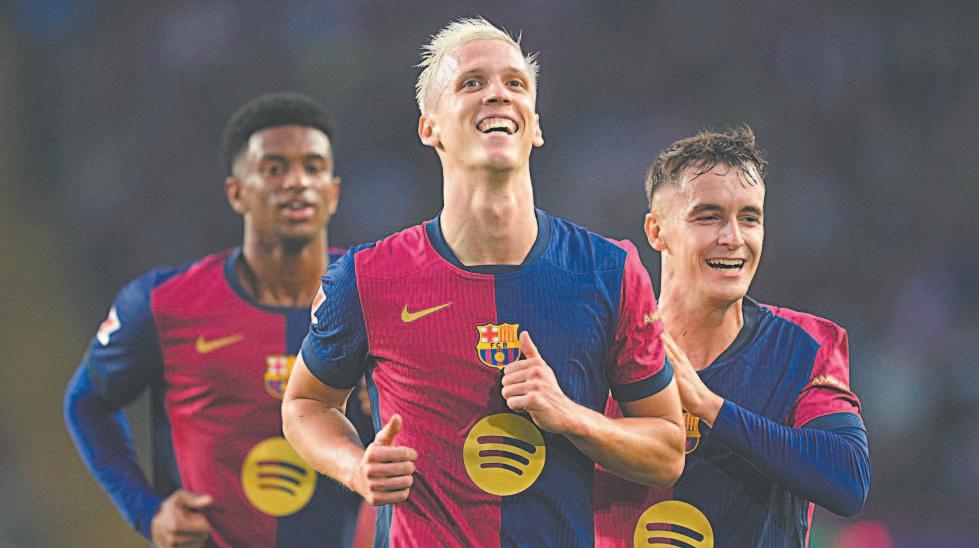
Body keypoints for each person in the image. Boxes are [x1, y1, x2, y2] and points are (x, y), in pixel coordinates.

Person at [281, 17, 685, 548]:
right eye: (472, 83)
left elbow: (667, 451)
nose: (498, 93)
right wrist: (355, 467)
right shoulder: (367, 277)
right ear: (430, 128)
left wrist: (570, 416)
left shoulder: (609, 271)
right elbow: (305, 405)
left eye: (514, 83)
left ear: (534, 126)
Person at [64, 92, 372, 548]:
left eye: (313, 167)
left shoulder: (376, 298)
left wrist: (388, 400)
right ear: (237, 192)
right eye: (274, 169)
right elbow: (86, 403)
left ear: (334, 192)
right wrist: (147, 512)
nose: (297, 182)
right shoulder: (162, 304)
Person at [594, 127, 871, 547]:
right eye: (708, 217)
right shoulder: (603, 346)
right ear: (656, 231)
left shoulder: (805, 346)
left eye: (749, 218)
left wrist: (709, 407)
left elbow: (848, 480)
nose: (733, 238)